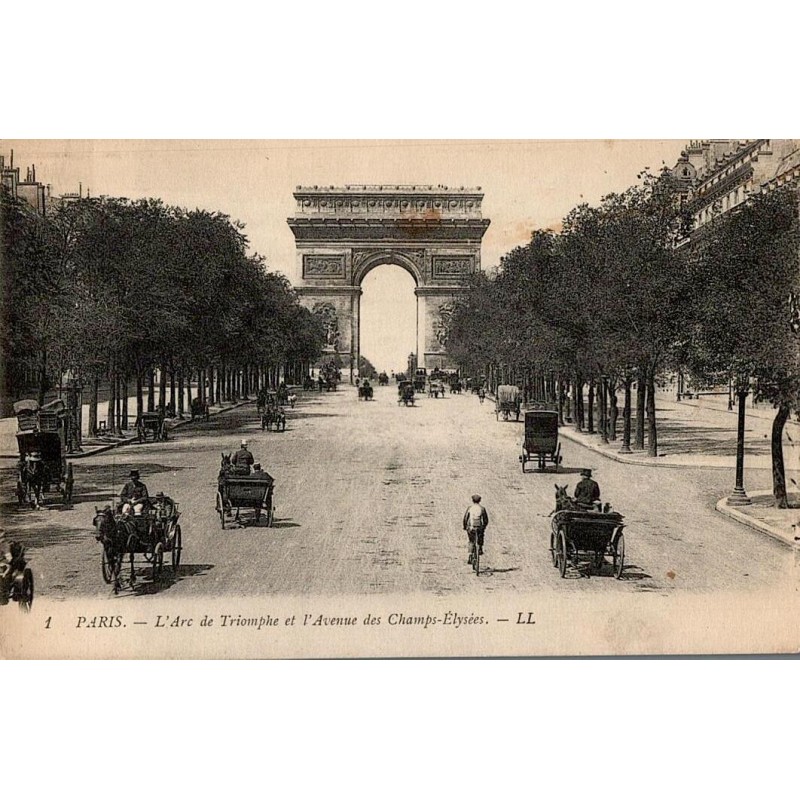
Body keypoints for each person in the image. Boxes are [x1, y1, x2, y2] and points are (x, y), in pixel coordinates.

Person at [462, 494, 489, 563]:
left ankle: (470, 554)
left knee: (471, 540)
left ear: (472, 500)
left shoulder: (470, 508)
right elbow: (485, 520)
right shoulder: (482, 508)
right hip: (479, 528)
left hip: (471, 528)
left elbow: (465, 518)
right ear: (480, 500)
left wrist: (465, 526)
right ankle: (480, 548)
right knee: (481, 537)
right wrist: (484, 527)